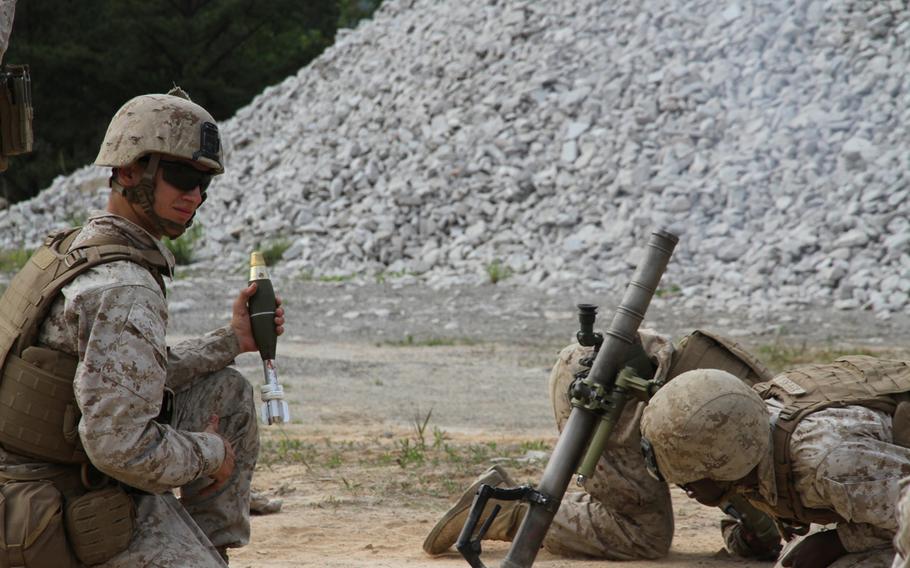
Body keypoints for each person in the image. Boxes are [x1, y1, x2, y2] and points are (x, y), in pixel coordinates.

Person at [0, 88, 284, 566]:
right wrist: (209, 453)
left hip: (51, 463)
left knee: (227, 393)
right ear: (128, 171)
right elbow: (120, 445)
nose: (194, 196)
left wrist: (233, 340)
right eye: (180, 177)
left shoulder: (76, 247)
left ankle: (203, 548)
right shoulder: (123, 286)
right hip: (45, 495)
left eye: (203, 184)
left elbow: (128, 380)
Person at [423, 329, 782, 560]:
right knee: (641, 533)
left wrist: (756, 534)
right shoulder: (774, 446)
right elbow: (726, 478)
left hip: (626, 370)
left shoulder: (779, 422)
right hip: (613, 390)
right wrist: (762, 534)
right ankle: (508, 510)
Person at [639, 359, 910, 568]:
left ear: (724, 465)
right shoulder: (746, 426)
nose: (687, 490)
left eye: (689, 478)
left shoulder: (827, 465)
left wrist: (838, 543)